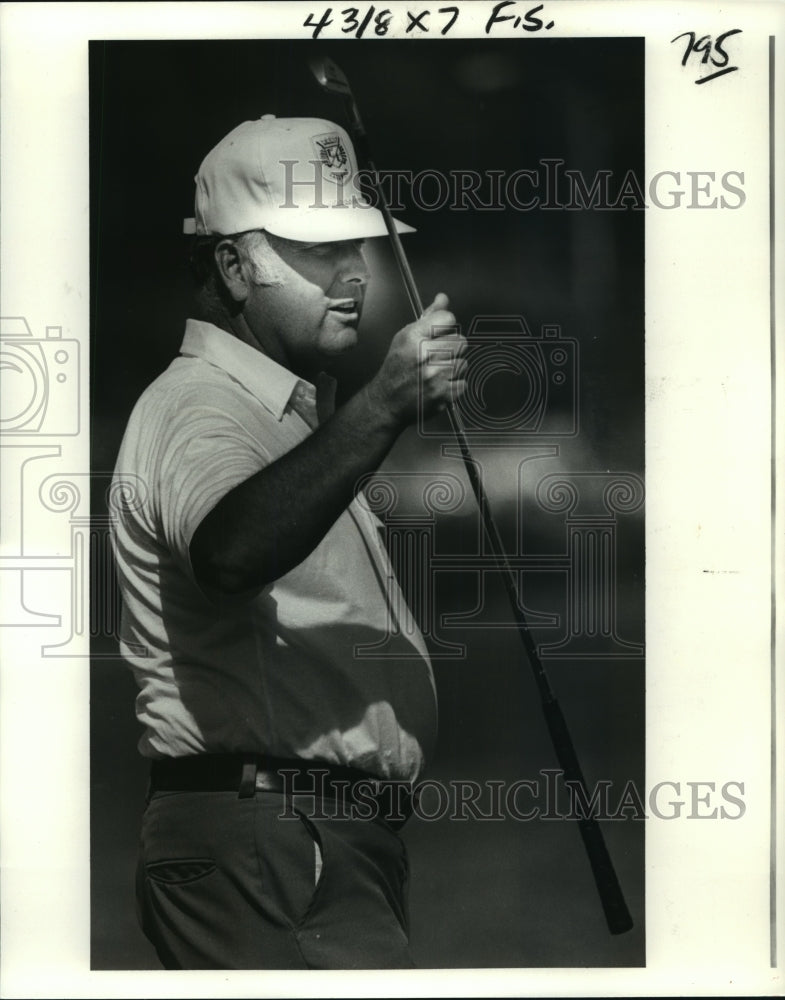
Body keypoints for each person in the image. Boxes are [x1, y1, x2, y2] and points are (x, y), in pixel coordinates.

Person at [110, 114, 467, 970]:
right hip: (271, 831)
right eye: (314, 249)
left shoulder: (281, 412)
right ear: (233, 265)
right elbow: (227, 553)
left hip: (297, 833)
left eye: (354, 243)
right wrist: (382, 406)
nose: (352, 274)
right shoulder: (203, 404)